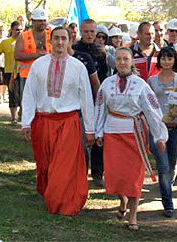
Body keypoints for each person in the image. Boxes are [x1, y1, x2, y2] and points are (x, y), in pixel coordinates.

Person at [21, 27, 95, 216]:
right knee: (45, 164)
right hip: (43, 121)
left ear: (70, 41)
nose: (60, 42)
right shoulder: (38, 64)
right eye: (56, 38)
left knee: (64, 165)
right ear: (50, 41)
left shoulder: (78, 67)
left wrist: (90, 128)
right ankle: (50, 194)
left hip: (68, 122)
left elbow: (86, 97)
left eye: (64, 38)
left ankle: (62, 204)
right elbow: (29, 94)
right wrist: (26, 122)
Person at [95, 46, 168, 229]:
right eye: (118, 59)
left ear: (131, 61)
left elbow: (153, 110)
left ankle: (133, 216)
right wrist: (98, 132)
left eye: (125, 59)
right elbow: (100, 108)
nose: (122, 62)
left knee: (134, 175)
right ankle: (122, 201)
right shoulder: (106, 83)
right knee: (114, 174)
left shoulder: (141, 85)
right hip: (112, 132)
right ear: (115, 62)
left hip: (135, 133)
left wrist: (160, 135)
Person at [73, 19, 109, 187]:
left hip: (96, 98)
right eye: (86, 32)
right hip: (77, 99)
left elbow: (104, 78)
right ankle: (80, 170)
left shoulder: (101, 52)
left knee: (97, 136)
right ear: (81, 31)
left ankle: (97, 173)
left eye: (92, 32)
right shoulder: (74, 49)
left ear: (96, 33)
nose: (89, 35)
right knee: (79, 136)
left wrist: (101, 102)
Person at [147, 46, 177, 218]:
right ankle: (168, 204)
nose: (166, 61)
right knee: (163, 166)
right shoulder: (152, 81)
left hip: (176, 128)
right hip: (157, 129)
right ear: (159, 60)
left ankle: (168, 184)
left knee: (172, 166)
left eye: (170, 58)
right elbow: (147, 103)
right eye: (163, 58)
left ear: (175, 60)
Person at [14, 7, 51, 107]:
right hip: (28, 76)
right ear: (33, 21)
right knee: (28, 105)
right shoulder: (24, 36)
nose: (43, 23)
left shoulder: (52, 35)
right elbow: (17, 55)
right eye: (40, 21)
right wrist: (36, 55)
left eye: (44, 20)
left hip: (48, 76)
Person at [0, 21, 23, 125]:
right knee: (13, 94)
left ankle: (22, 113)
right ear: (12, 30)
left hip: (23, 71)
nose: (19, 32)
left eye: (20, 29)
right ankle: (13, 117)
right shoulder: (6, 42)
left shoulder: (24, 42)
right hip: (10, 72)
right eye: (17, 30)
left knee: (23, 94)